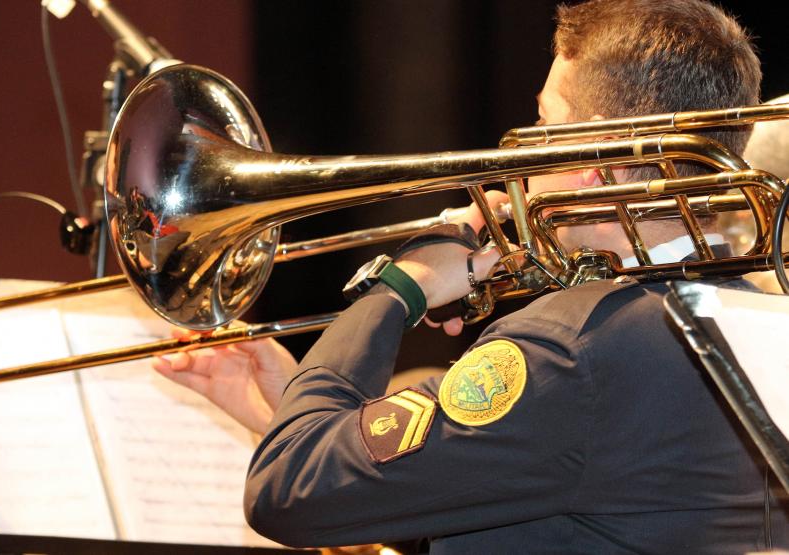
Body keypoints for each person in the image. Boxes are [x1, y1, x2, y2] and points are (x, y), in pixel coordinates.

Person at [155, 0, 789, 552]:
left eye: (546, 123)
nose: (531, 144)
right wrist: (301, 412)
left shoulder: (569, 350)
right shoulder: (749, 322)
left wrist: (401, 286)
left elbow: (286, 491)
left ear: (595, 155)